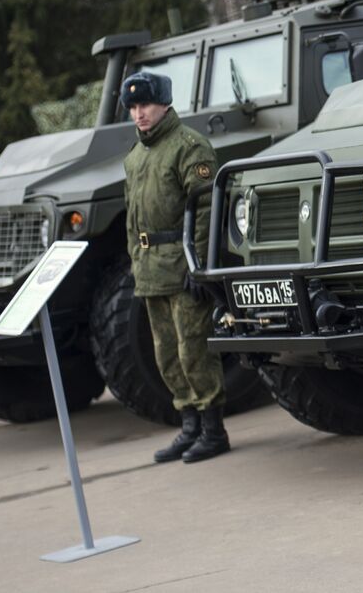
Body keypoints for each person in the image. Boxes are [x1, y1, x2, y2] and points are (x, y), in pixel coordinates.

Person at [120, 71, 230, 463]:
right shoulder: (135, 158)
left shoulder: (188, 147)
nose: (139, 114)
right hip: (151, 269)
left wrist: (198, 264)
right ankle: (190, 425)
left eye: (145, 105)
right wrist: (136, 259)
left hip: (182, 264)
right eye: (133, 107)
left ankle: (213, 429)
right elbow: (134, 217)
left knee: (193, 350)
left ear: (164, 103)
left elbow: (205, 209)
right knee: (165, 353)